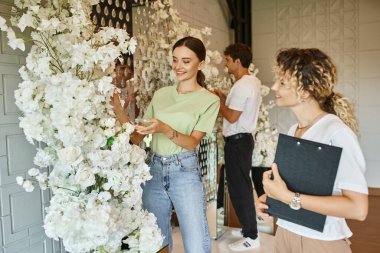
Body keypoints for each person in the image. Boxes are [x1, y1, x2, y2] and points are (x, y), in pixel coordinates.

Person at [111, 36, 220, 253]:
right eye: (175, 60)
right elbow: (136, 138)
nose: (178, 66)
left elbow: (192, 143)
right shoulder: (162, 94)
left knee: (197, 243)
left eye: (186, 61)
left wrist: (165, 130)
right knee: (155, 241)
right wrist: (119, 111)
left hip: (184, 172)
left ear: (201, 64)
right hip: (154, 170)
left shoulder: (209, 100)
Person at [256, 48, 369, 253]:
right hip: (284, 233)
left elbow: (358, 208)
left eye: (282, 82)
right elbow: (298, 187)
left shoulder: (337, 133)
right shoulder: (293, 130)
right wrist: (269, 199)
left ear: (305, 91)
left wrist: (288, 197)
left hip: (320, 242)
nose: (274, 87)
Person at [213, 43, 262, 251]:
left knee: (240, 189)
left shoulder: (243, 85)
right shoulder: (249, 82)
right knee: (239, 187)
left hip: (238, 142)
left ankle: (251, 235)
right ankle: (248, 233)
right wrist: (224, 98)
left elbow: (232, 116)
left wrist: (217, 102)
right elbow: (236, 110)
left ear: (237, 61)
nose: (225, 64)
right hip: (241, 141)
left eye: (227, 60)